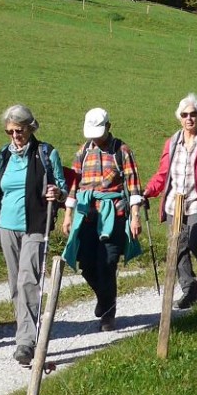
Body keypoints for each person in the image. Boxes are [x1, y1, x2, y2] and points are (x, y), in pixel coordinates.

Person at [0, 104, 66, 365]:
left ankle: (26, 343)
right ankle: (26, 333)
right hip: (6, 225)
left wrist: (57, 194)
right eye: (10, 131)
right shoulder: (3, 156)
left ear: (30, 128)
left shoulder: (46, 153)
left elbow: (62, 188)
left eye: (19, 130)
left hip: (35, 225)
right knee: (15, 284)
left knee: (28, 281)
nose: (14, 136)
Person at [143, 94, 197, 311]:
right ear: (179, 118)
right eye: (185, 115)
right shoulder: (172, 143)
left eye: (193, 114)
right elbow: (163, 174)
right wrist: (148, 191)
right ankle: (189, 291)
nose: (189, 118)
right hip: (174, 203)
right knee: (178, 247)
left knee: (195, 241)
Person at [62, 108, 144, 331]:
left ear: (109, 127)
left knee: (107, 263)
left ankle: (108, 313)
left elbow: (134, 186)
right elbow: (73, 185)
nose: (96, 138)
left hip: (114, 216)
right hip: (87, 216)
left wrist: (135, 216)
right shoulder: (83, 152)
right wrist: (68, 214)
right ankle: (103, 297)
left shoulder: (122, 151)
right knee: (86, 264)